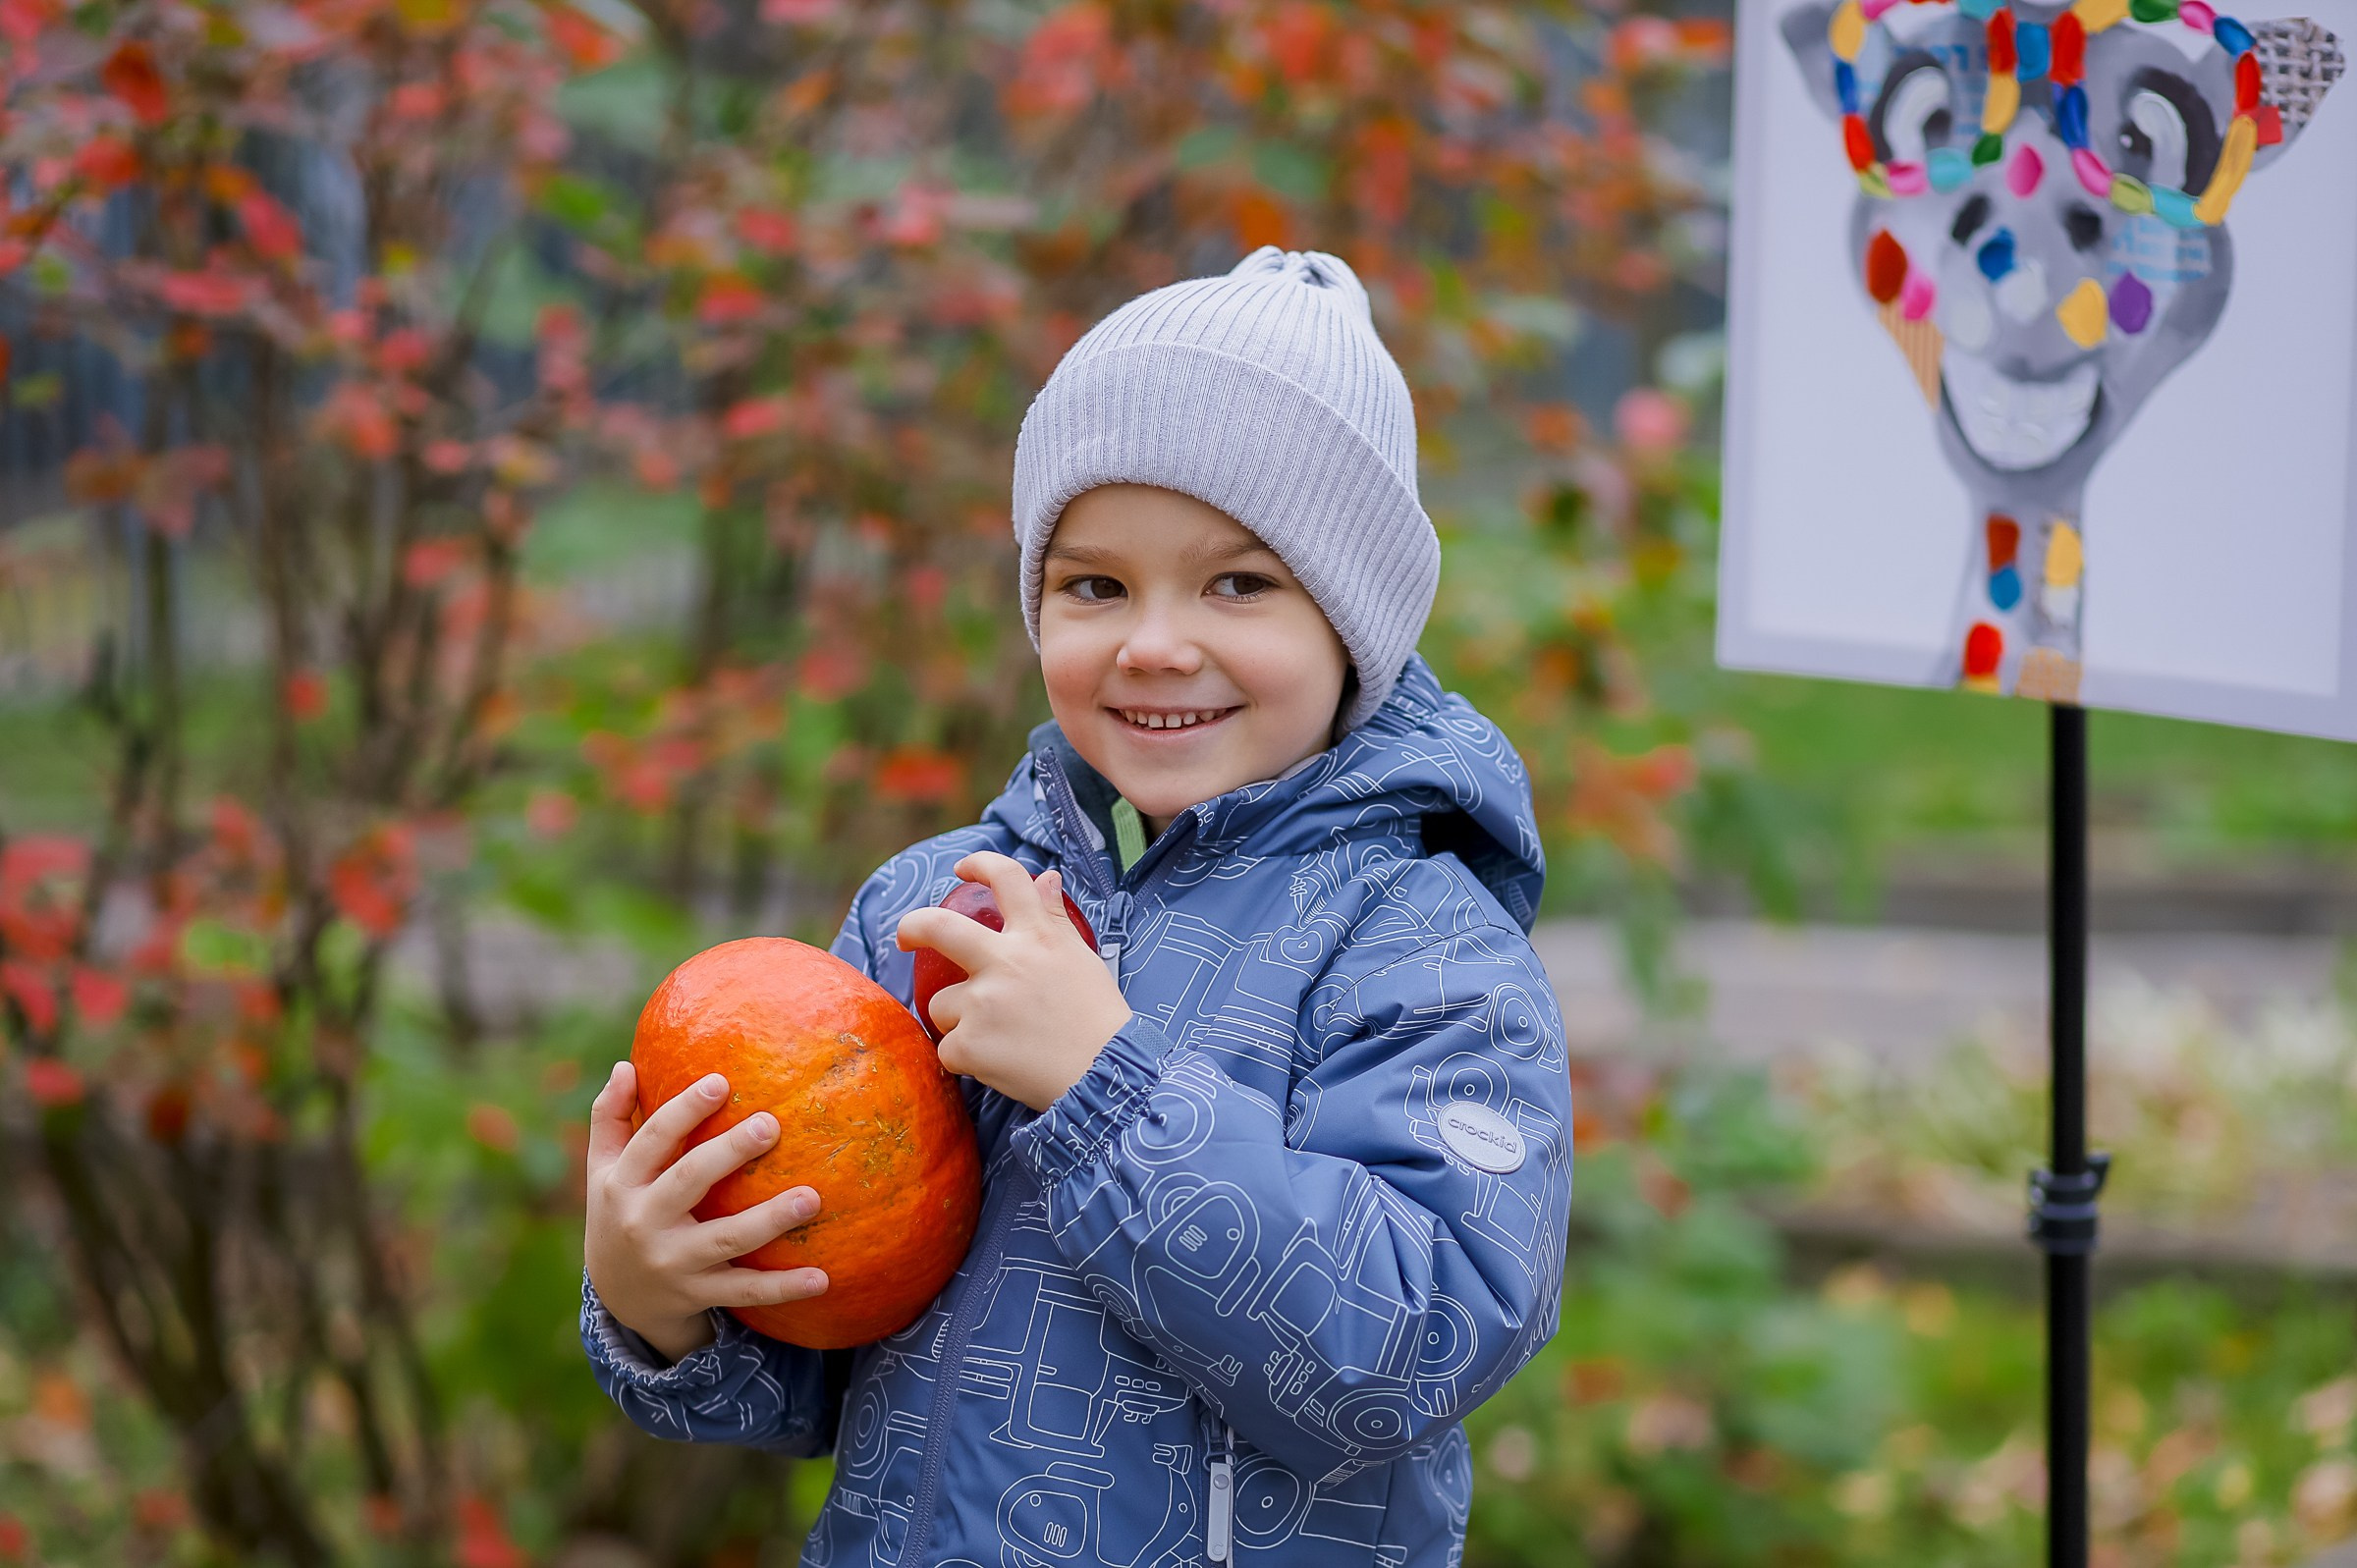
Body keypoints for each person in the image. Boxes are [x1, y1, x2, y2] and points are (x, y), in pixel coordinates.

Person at [578, 245, 1573, 1566]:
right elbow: (816, 1368)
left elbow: (1402, 1350)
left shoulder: (1423, 948)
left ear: (1356, 618)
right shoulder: (933, 914)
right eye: (1095, 585)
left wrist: (1106, 1087)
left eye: (1240, 582)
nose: (1155, 640)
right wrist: (663, 1302)